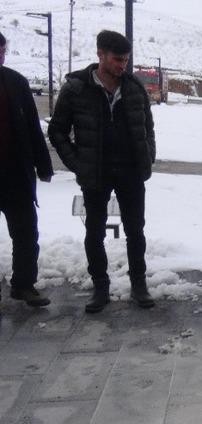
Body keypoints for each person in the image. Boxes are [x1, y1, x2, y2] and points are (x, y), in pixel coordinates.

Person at [49, 30, 155, 313]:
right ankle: (100, 287)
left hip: (131, 171)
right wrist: (77, 162)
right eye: (117, 59)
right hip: (95, 173)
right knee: (94, 231)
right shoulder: (76, 88)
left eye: (126, 60)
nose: (122, 65)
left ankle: (139, 285)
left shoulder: (134, 87)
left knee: (136, 230)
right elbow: (57, 131)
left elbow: (148, 127)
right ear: (100, 55)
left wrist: (148, 155)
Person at [0, 31, 54, 312]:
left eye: (2, 52)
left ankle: (24, 284)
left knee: (25, 233)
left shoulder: (15, 82)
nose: (0, 57)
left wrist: (43, 165)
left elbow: (32, 127)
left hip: (14, 174)